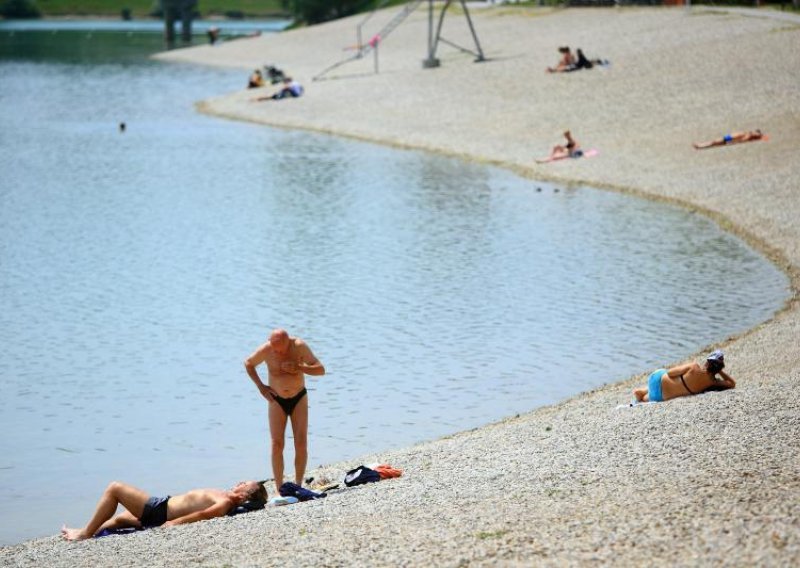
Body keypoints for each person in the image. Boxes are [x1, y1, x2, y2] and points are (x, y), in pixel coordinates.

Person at [244, 329, 325, 495]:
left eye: (280, 349)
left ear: (288, 342)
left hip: (299, 397)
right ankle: (280, 488)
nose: (277, 352)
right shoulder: (267, 349)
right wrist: (261, 387)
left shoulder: (299, 346)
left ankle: (298, 484)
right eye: (274, 348)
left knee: (300, 442)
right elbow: (248, 363)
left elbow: (320, 370)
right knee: (276, 444)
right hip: (276, 400)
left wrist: (299, 367)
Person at [61, 480, 267, 541]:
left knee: (114, 488)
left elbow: (203, 515)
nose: (240, 481)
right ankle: (88, 530)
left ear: (244, 494)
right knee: (121, 519)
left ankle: (85, 534)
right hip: (161, 507)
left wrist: (174, 524)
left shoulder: (224, 503)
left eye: (244, 483)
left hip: (159, 511)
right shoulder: (224, 496)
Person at [633, 350, 736, 403]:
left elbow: (670, 373)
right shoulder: (712, 382)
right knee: (645, 398)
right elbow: (732, 384)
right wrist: (720, 371)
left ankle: (643, 390)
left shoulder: (694, 367)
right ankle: (642, 394)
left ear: (708, 362)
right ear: (718, 369)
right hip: (660, 397)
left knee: (667, 374)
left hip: (657, 379)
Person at [693, 129, 764, 149]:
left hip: (728, 139)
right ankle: (700, 146)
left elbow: (737, 138)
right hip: (728, 139)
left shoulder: (747, 136)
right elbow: (735, 135)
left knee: (713, 143)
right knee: (713, 143)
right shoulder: (746, 134)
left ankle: (700, 146)